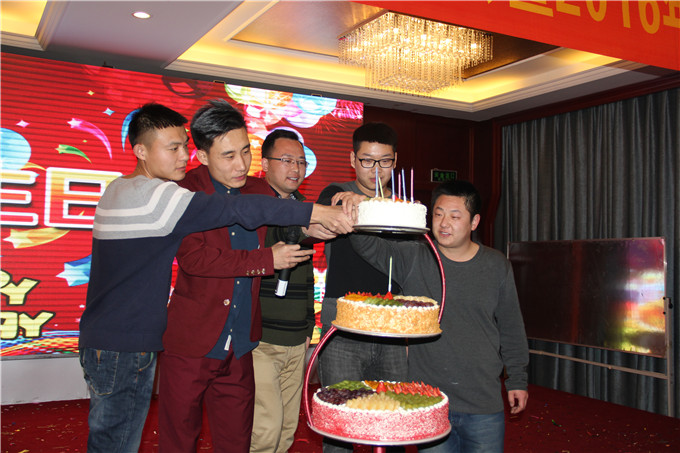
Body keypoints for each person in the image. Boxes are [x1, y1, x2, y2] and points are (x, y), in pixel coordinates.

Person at [78, 102, 354, 453]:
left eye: (246, 152)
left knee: (234, 440)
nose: (241, 164)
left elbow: (275, 218)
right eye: (228, 156)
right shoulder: (175, 192)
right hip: (178, 339)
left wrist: (310, 227)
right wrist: (285, 242)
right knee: (152, 440)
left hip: (236, 342)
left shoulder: (251, 189)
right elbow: (205, 247)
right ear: (204, 156)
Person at [349, 180, 530, 453]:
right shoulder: (415, 257)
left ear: (474, 222)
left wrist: (517, 379)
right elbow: (368, 246)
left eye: (455, 216)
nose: (444, 223)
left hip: (482, 401)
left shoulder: (496, 265)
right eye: (438, 214)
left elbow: (511, 326)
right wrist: (358, 208)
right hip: (429, 400)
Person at [316, 122, 407, 452]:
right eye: (367, 160)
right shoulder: (336, 193)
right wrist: (357, 202)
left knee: (393, 420)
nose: (376, 170)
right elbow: (330, 213)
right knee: (340, 424)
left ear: (395, 161)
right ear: (352, 159)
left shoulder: (405, 209)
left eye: (384, 161)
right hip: (344, 324)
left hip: (392, 324)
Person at [250, 129, 334, 452]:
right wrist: (304, 225)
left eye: (301, 162)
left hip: (298, 337)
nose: (296, 168)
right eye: (286, 160)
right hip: (262, 339)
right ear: (265, 164)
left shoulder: (305, 207)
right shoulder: (252, 204)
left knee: (287, 428)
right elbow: (275, 237)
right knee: (265, 428)